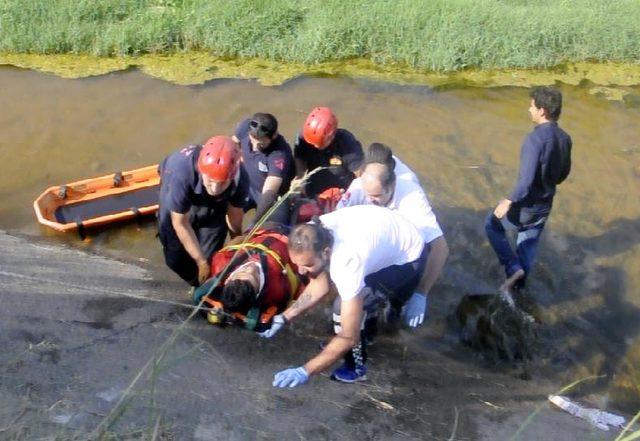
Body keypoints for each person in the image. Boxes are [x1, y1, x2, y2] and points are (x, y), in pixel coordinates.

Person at [260, 205, 429, 387]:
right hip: (386, 238)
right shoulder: (309, 234)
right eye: (297, 264)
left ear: (326, 252)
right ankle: (369, 332)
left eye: (307, 265)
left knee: (343, 310)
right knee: (350, 305)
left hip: (407, 259)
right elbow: (320, 284)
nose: (301, 271)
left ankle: (356, 367)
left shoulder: (347, 261)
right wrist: (284, 317)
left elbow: (349, 336)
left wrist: (305, 370)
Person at [337, 142, 449, 328]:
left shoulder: (411, 196)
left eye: (376, 196)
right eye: (367, 194)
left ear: (392, 186)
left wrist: (421, 294)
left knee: (393, 310)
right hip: (379, 235)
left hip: (409, 247)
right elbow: (339, 224)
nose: (369, 200)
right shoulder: (359, 187)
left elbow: (440, 248)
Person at [485, 86, 572, 292]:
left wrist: (507, 201)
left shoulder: (534, 140)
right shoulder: (565, 138)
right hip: (545, 205)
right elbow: (563, 174)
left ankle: (512, 267)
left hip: (526, 206)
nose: (529, 109)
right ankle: (518, 287)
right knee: (528, 243)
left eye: (532, 106)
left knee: (492, 225)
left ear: (542, 111)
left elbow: (525, 182)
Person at [158, 136, 249, 287]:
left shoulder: (240, 178)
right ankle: (195, 280)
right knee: (174, 258)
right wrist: (200, 263)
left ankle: (206, 287)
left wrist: (236, 245)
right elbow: (180, 223)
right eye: (211, 181)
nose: (214, 188)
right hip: (180, 192)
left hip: (215, 205)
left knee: (211, 257)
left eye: (221, 183)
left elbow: (234, 215)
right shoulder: (182, 173)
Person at [196, 227, 305, 330]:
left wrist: (247, 234)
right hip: (291, 241)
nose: (251, 268)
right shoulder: (276, 291)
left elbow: (234, 243)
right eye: (255, 277)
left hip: (264, 228)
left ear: (229, 279)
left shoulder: (221, 264)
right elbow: (302, 288)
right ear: (257, 293)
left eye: (243, 271)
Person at [232, 113, 295, 225]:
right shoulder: (245, 126)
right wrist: (238, 156)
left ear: (274, 136)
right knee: (227, 211)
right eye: (252, 141)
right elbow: (234, 142)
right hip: (248, 185)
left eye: (261, 143)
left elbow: (269, 193)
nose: (255, 147)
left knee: (275, 228)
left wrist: (255, 224)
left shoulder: (279, 154)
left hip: (273, 195)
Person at [293, 107, 364, 198]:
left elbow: (359, 174)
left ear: (332, 135)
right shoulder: (303, 139)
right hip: (314, 192)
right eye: (313, 144)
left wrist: (351, 194)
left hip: (342, 193)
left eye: (320, 143)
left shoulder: (346, 142)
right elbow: (300, 160)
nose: (315, 147)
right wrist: (300, 179)